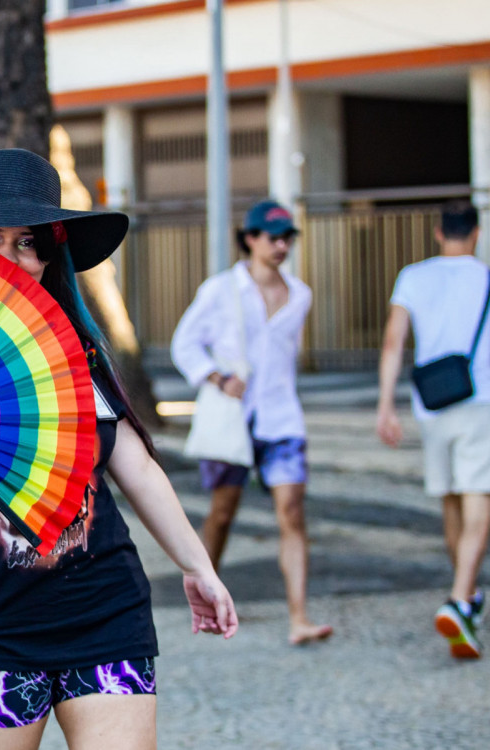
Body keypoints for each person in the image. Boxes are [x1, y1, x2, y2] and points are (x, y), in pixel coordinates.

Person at [0, 148, 237, 748]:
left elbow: (133, 465)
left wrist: (199, 567)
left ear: (48, 255)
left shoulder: (78, 352)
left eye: (28, 241)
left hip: (105, 613)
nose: (10, 256)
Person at [376, 199, 490, 660]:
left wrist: (386, 406)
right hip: (477, 403)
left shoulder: (412, 277)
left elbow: (394, 341)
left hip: (430, 406)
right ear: (476, 233)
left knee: (452, 503)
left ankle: (466, 600)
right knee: (479, 501)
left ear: (439, 233)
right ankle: (460, 599)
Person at [170, 199, 333, 646]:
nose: (281, 245)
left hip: (282, 418)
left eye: (287, 238)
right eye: (272, 237)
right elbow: (184, 344)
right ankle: (209, 594)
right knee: (221, 514)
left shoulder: (301, 294)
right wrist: (218, 378)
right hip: (232, 421)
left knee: (293, 513)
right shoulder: (221, 289)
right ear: (250, 239)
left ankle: (299, 617)